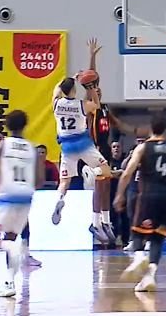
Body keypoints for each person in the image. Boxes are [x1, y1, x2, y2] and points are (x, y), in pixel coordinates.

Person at [114, 112, 166, 292]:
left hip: (149, 195)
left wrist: (119, 194)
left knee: (137, 231)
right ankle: (149, 277)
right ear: (165, 128)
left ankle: (139, 257)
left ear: (151, 128)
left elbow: (127, 173)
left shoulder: (143, 148)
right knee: (157, 238)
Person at [85, 38, 150, 243]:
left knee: (105, 186)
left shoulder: (105, 109)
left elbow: (120, 125)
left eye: (99, 90)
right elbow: (90, 80)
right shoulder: (90, 107)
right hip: (92, 149)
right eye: (94, 90)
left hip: (103, 149)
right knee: (100, 185)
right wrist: (92, 58)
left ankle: (104, 221)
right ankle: (95, 222)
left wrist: (136, 130)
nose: (97, 91)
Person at [0, 110, 37, 298]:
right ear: (25, 125)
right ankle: (9, 283)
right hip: (26, 197)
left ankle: (16, 252)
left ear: (7, 125)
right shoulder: (32, 148)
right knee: (11, 238)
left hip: (6, 196)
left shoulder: (2, 146)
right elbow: (39, 179)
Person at [51, 76, 109, 235]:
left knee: (64, 181)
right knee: (105, 169)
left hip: (66, 146)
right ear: (74, 90)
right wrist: (91, 89)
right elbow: (96, 105)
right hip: (83, 144)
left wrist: (66, 79)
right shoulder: (81, 105)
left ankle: (59, 199)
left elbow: (55, 90)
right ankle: (92, 172)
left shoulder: (56, 103)